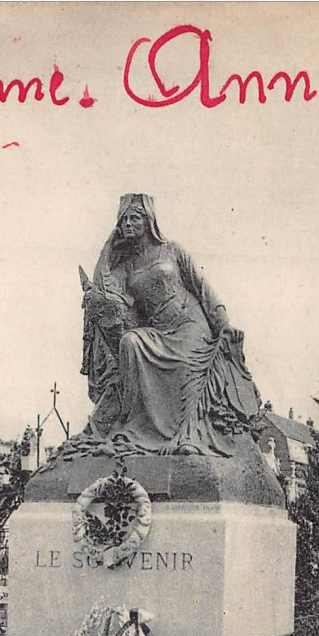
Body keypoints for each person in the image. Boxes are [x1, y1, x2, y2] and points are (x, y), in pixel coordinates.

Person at [77, 194, 262, 456]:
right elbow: (102, 292)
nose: (129, 224)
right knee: (130, 342)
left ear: (149, 221)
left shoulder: (172, 250)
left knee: (184, 364)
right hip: (157, 331)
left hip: (190, 325)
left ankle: (188, 436)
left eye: (135, 218)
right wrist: (108, 246)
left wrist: (224, 324)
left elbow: (202, 287)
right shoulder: (127, 268)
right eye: (124, 219)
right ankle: (132, 429)